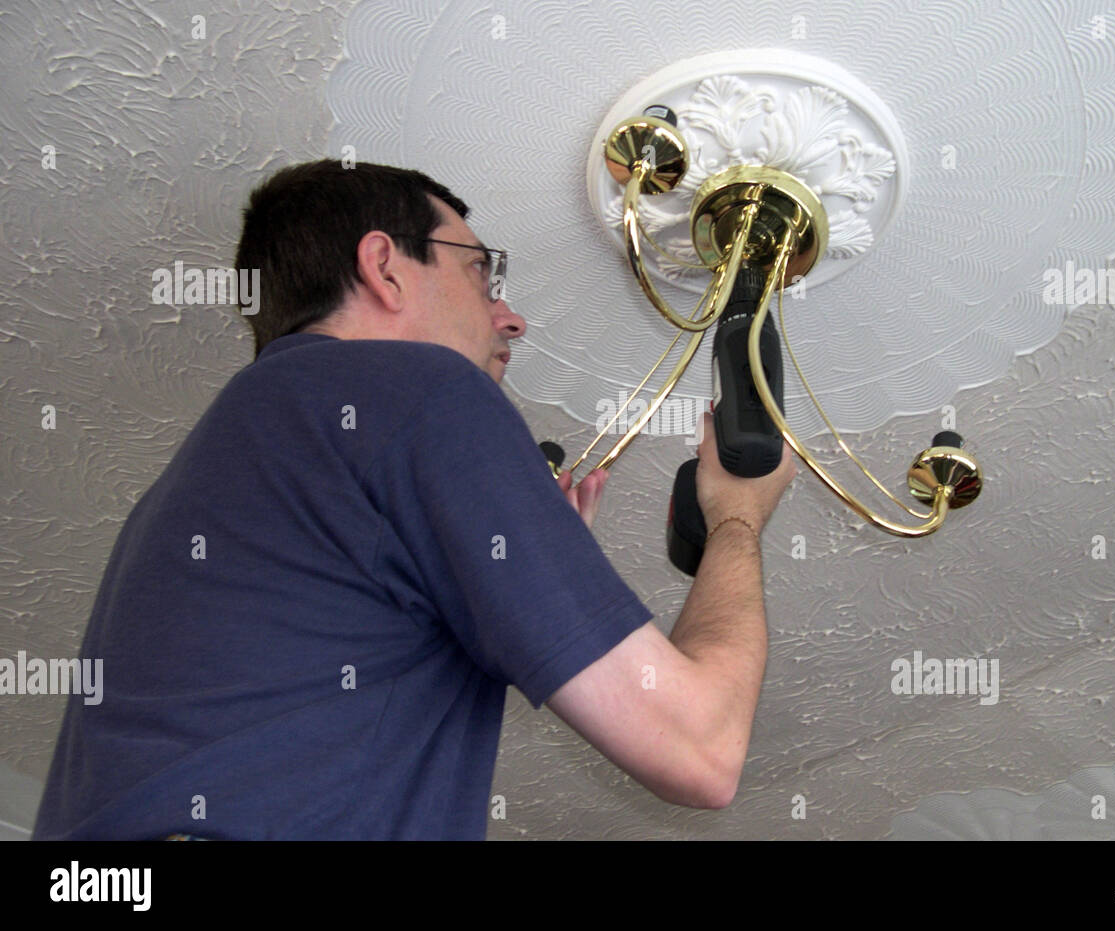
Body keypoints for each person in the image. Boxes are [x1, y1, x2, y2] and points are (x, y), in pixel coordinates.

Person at [33, 159, 796, 840]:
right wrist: (737, 515)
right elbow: (700, 746)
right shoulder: (418, 390)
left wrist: (503, 577)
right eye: (480, 272)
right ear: (384, 267)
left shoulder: (220, 471)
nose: (511, 317)